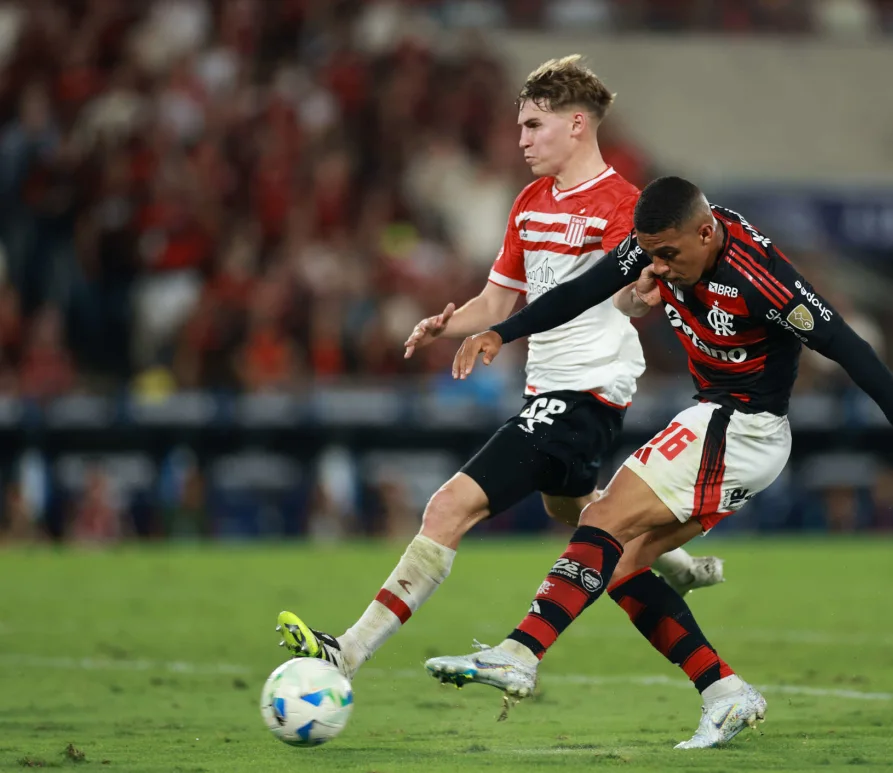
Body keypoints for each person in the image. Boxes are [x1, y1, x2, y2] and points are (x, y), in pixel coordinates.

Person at [426, 176, 893, 749]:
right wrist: (503, 330)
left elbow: (847, 345)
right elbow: (584, 289)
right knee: (618, 567)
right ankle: (725, 692)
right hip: (717, 421)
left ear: (706, 231)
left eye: (669, 255)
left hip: (740, 428)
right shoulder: (658, 245)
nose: (659, 267)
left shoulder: (761, 277)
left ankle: (519, 653)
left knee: (600, 522)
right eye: (651, 254)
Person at [275, 57, 725, 682]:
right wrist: (447, 323)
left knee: (448, 506)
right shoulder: (530, 202)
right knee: (585, 522)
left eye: (534, 125)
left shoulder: (624, 205)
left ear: (576, 125)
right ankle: (674, 572)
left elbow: (626, 290)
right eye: (520, 126)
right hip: (549, 389)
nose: (521, 139)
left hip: (587, 391)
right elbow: (499, 300)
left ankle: (348, 652)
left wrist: (640, 292)